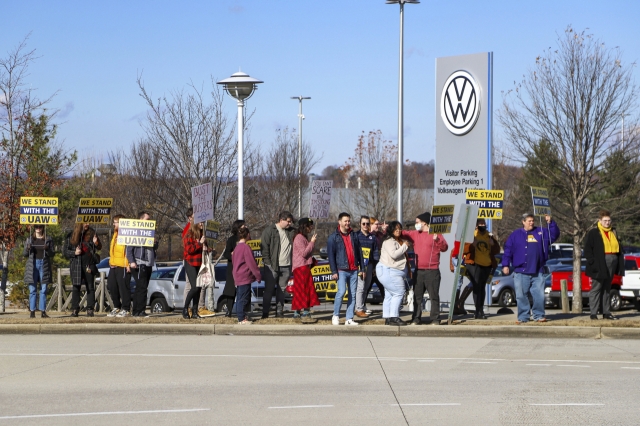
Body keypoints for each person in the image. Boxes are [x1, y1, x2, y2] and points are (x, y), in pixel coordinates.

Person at [502, 213, 559, 324]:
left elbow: (554, 235)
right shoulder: (515, 235)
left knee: (539, 295)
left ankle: (539, 316)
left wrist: (550, 222)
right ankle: (523, 317)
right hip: (521, 271)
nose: (532, 223)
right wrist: (505, 265)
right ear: (523, 222)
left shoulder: (541, 232)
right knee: (521, 295)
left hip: (538, 271)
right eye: (529, 221)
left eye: (533, 220)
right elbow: (508, 250)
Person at [402, 212, 449, 325]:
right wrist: (387, 229)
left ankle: (435, 319)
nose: (416, 224)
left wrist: (437, 239)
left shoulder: (436, 234)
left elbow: (445, 247)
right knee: (417, 297)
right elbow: (402, 233)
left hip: (432, 271)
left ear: (424, 223)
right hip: (418, 271)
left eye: (417, 222)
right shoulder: (415, 234)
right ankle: (416, 318)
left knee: (434, 296)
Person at [584, 210, 624, 320]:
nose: (607, 222)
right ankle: (593, 313)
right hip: (600, 262)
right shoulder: (594, 232)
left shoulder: (613, 231)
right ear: (600, 221)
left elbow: (619, 247)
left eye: (609, 220)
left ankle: (606, 312)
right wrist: (592, 262)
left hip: (613, 260)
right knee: (597, 287)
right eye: (605, 220)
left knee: (607, 287)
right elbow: (587, 249)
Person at [327, 212, 364, 326]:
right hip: (341, 270)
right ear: (340, 222)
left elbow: (359, 252)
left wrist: (362, 268)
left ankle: (349, 318)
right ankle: (336, 315)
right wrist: (334, 271)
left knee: (353, 294)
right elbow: (331, 255)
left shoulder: (354, 235)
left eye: (348, 221)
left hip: (353, 269)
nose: (348, 223)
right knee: (341, 292)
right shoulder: (333, 237)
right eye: (345, 221)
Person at [462, 219, 500, 319]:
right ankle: (478, 310)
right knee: (476, 286)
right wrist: (472, 245)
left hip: (487, 264)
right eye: (480, 224)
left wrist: (493, 244)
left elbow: (497, 250)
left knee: (482, 287)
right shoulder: (471, 235)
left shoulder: (489, 235)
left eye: (483, 224)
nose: (482, 225)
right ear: (476, 226)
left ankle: (480, 310)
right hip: (474, 264)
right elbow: (464, 249)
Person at [260, 211, 296, 319]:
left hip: (286, 266)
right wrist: (268, 263)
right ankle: (265, 313)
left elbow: (300, 226)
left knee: (282, 290)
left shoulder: (291, 231)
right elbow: (264, 248)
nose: (290, 224)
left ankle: (279, 312)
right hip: (272, 266)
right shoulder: (269, 231)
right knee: (269, 290)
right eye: (288, 221)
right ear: (281, 220)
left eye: (291, 221)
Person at [64, 223, 102, 317]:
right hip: (76, 264)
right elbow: (65, 251)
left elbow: (99, 247)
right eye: (85, 222)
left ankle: (90, 309)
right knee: (76, 287)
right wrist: (74, 252)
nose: (87, 224)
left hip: (89, 264)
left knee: (90, 287)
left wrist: (96, 242)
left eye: (88, 222)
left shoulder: (92, 232)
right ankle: (75, 309)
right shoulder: (71, 235)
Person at [377, 221, 409, 326]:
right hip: (389, 270)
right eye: (395, 229)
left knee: (389, 294)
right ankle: (394, 317)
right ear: (391, 230)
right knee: (399, 292)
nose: (398, 231)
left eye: (399, 228)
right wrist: (404, 246)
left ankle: (387, 317)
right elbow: (394, 254)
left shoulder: (394, 241)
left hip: (388, 271)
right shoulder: (389, 241)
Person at [126, 211, 156, 318]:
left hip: (149, 263)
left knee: (143, 287)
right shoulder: (135, 233)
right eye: (147, 220)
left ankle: (137, 311)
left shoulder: (151, 233)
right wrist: (132, 261)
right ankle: (140, 310)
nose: (149, 222)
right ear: (141, 220)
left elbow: (153, 247)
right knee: (141, 287)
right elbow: (129, 249)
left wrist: (155, 243)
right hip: (139, 263)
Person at [291, 218, 320, 323]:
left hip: (303, 267)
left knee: (302, 289)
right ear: (304, 226)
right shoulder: (299, 238)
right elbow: (304, 253)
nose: (311, 228)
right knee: (304, 290)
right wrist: (312, 243)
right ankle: (304, 312)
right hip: (301, 267)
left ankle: (298, 312)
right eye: (309, 225)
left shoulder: (302, 237)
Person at [23, 224, 54, 318]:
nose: (38, 229)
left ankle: (43, 311)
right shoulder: (29, 239)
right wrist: (27, 249)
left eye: (40, 227)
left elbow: (52, 254)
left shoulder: (48, 239)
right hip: (33, 264)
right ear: (34, 228)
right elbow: (24, 254)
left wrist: (47, 249)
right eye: (36, 227)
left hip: (43, 264)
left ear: (43, 228)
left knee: (43, 289)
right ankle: (32, 311)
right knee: (32, 289)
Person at [232, 227, 261, 324]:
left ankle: (242, 316)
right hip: (244, 276)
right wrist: (258, 275)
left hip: (237, 275)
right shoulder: (245, 247)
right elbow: (251, 263)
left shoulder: (236, 248)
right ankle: (241, 318)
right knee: (243, 298)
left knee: (240, 297)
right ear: (247, 234)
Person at [107, 215, 132, 317]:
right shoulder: (115, 234)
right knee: (112, 285)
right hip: (114, 264)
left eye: (115, 222)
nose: (114, 224)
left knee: (123, 287)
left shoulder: (128, 234)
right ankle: (116, 306)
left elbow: (128, 250)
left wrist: (128, 264)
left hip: (123, 265)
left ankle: (126, 308)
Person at [181, 221, 207, 319]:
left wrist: (207, 248)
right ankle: (185, 308)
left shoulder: (202, 234)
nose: (202, 224)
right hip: (190, 263)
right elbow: (190, 250)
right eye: (200, 222)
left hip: (200, 263)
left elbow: (205, 247)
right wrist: (199, 243)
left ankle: (195, 311)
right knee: (194, 287)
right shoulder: (189, 234)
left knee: (199, 288)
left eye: (203, 223)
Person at [354, 215, 378, 318]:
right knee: (361, 286)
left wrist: (375, 267)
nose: (365, 225)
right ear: (360, 224)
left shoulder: (372, 237)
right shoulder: (356, 236)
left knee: (366, 287)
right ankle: (358, 308)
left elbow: (375, 253)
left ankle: (362, 305)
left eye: (367, 224)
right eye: (363, 223)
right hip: (359, 265)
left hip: (370, 265)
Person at [221, 220, 245, 317]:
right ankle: (229, 310)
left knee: (243, 290)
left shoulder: (246, 238)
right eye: (243, 225)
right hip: (233, 268)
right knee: (231, 291)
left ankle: (243, 311)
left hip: (243, 268)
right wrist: (234, 256)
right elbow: (226, 253)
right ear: (238, 227)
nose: (245, 226)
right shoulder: (231, 239)